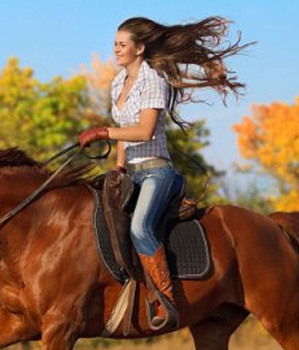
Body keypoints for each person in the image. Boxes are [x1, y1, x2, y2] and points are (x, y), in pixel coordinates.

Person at [78, 16, 250, 325]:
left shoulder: (154, 80)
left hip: (156, 173)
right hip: (131, 174)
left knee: (140, 228)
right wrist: (118, 168)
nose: (116, 49)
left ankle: (164, 301)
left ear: (140, 48)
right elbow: (124, 130)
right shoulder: (118, 83)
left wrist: (103, 132)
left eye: (122, 44)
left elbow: (143, 131)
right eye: (114, 44)